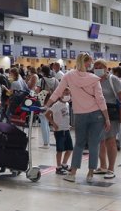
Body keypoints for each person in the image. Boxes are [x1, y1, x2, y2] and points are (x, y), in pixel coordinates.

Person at [44, 52, 109, 184]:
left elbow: (57, 92)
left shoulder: (69, 76)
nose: (91, 65)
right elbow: (100, 100)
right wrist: (106, 118)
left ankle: (73, 173)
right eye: (89, 62)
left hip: (80, 115)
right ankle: (90, 173)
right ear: (85, 62)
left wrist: (47, 105)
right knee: (94, 144)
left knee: (79, 144)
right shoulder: (94, 78)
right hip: (97, 115)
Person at [93, 61, 121, 180]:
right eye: (95, 67)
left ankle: (111, 168)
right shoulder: (93, 80)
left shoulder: (114, 80)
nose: (97, 69)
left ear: (106, 68)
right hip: (97, 113)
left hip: (111, 113)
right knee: (100, 141)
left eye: (100, 67)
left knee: (110, 141)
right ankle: (102, 166)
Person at [44, 90, 73, 174]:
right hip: (59, 131)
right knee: (60, 150)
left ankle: (64, 164)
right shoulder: (57, 105)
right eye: (66, 94)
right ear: (61, 95)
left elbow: (65, 116)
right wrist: (53, 123)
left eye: (69, 94)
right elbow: (47, 114)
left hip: (66, 129)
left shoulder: (67, 104)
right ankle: (58, 167)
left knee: (70, 149)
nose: (68, 95)